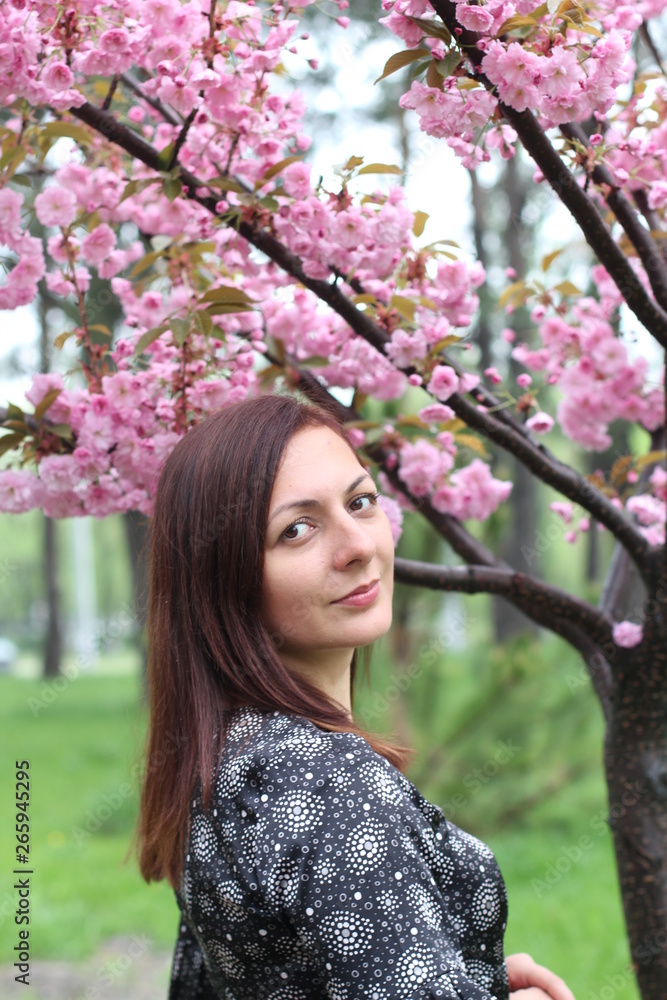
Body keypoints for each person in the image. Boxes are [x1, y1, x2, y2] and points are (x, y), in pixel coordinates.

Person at [136, 392, 576, 1000]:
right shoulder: (331, 783)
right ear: (224, 578)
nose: (359, 546)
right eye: (297, 529)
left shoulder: (222, 755)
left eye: (360, 502)